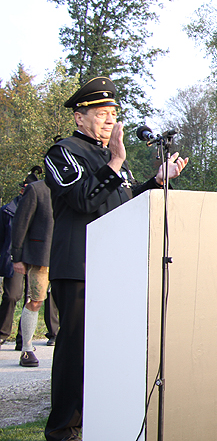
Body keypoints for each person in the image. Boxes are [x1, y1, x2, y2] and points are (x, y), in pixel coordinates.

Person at [44, 77, 188, 441]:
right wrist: (117, 160)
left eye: (113, 115)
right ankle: (63, 428)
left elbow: (122, 202)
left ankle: (100, 418)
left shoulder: (110, 160)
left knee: (109, 349)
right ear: (79, 117)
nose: (109, 121)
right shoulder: (63, 152)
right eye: (101, 114)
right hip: (79, 266)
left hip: (113, 267)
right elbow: (83, 200)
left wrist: (156, 182)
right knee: (76, 350)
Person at [11, 175, 55, 367]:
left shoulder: (74, 189)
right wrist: (17, 256)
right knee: (35, 300)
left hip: (66, 254)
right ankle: (27, 349)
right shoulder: (36, 189)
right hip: (40, 256)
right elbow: (21, 223)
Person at [0, 176, 29, 349]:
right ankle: (3, 333)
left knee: (31, 299)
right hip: (14, 259)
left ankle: (23, 339)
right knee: (11, 295)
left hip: (33, 258)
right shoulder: (6, 211)